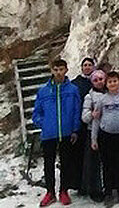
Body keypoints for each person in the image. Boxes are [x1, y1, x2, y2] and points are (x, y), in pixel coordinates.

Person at [33, 59, 81, 207]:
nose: (58, 72)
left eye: (61, 69)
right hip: (49, 135)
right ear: (51, 71)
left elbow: (76, 111)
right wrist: (45, 124)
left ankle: (63, 191)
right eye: (55, 69)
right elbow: (37, 113)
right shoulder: (43, 91)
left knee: (66, 163)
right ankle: (50, 192)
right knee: (48, 164)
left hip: (66, 133)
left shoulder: (72, 89)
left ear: (66, 70)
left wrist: (74, 129)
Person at [91, 71, 119, 207]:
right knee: (107, 165)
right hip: (105, 136)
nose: (112, 84)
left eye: (115, 81)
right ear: (106, 84)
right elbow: (96, 120)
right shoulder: (102, 100)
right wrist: (94, 139)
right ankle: (108, 193)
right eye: (110, 82)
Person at [80, 70, 106, 202]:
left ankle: (109, 186)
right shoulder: (89, 96)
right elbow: (84, 117)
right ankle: (95, 190)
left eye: (101, 79)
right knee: (94, 163)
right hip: (93, 132)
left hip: (109, 131)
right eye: (96, 80)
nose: (99, 82)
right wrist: (92, 115)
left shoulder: (110, 92)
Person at [71, 57, 95, 193]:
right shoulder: (76, 83)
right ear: (81, 67)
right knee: (79, 155)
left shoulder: (98, 80)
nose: (87, 67)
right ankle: (80, 184)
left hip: (95, 123)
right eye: (85, 65)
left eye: (89, 65)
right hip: (80, 123)